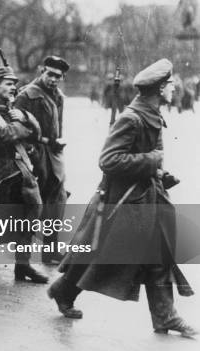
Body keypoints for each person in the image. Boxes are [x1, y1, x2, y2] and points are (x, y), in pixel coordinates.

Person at [48, 59, 198, 338]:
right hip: (123, 203)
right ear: (159, 88)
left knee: (158, 255)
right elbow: (108, 160)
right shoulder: (132, 117)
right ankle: (64, 289)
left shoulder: (151, 113)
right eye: (170, 84)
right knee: (102, 255)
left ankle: (166, 316)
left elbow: (145, 158)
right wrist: (151, 161)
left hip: (146, 197)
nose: (174, 88)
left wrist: (160, 173)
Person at [0, 65, 48, 283]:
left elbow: (37, 133)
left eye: (14, 84)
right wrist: (23, 125)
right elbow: (4, 134)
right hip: (0, 174)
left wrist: (24, 115)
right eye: (8, 84)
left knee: (32, 213)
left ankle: (22, 266)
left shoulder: (14, 111)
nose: (13, 88)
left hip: (20, 171)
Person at [14, 56, 70, 264]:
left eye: (58, 76)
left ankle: (51, 249)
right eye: (50, 74)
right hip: (34, 155)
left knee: (58, 202)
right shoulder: (27, 96)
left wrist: (57, 143)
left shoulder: (59, 97)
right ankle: (23, 261)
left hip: (53, 156)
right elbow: (17, 129)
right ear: (41, 71)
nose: (54, 79)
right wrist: (34, 149)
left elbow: (59, 127)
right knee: (32, 206)